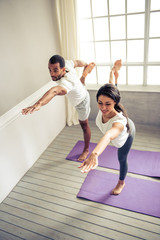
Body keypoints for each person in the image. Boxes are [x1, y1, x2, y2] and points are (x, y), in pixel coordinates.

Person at [22, 55, 95, 161]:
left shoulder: (66, 82)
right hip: (79, 88)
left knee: (84, 125)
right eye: (50, 70)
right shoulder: (67, 63)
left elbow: (54, 91)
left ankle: (86, 150)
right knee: (80, 83)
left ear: (63, 69)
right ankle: (84, 75)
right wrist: (86, 64)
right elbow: (77, 62)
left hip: (82, 102)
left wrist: (39, 104)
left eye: (55, 70)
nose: (52, 74)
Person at [79, 60, 136, 195]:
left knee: (122, 158)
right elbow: (111, 84)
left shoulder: (119, 122)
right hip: (118, 122)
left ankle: (121, 182)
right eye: (100, 103)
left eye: (108, 104)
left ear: (115, 102)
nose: (103, 108)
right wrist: (113, 71)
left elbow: (109, 135)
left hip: (128, 132)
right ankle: (115, 70)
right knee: (111, 85)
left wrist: (94, 153)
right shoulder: (107, 97)